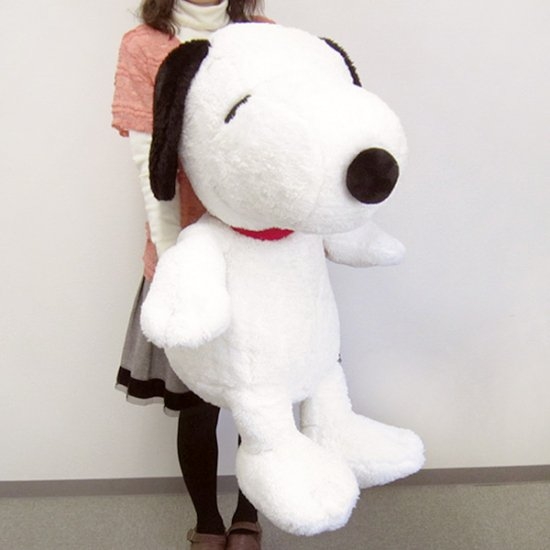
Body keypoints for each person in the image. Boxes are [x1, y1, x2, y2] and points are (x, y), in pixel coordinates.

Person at [112, 2, 268, 549]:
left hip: (262, 252)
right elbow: (148, 161)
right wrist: (172, 258)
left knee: (260, 401)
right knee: (198, 402)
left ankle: (247, 521)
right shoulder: (144, 45)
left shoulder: (262, 37)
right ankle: (209, 524)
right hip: (188, 248)